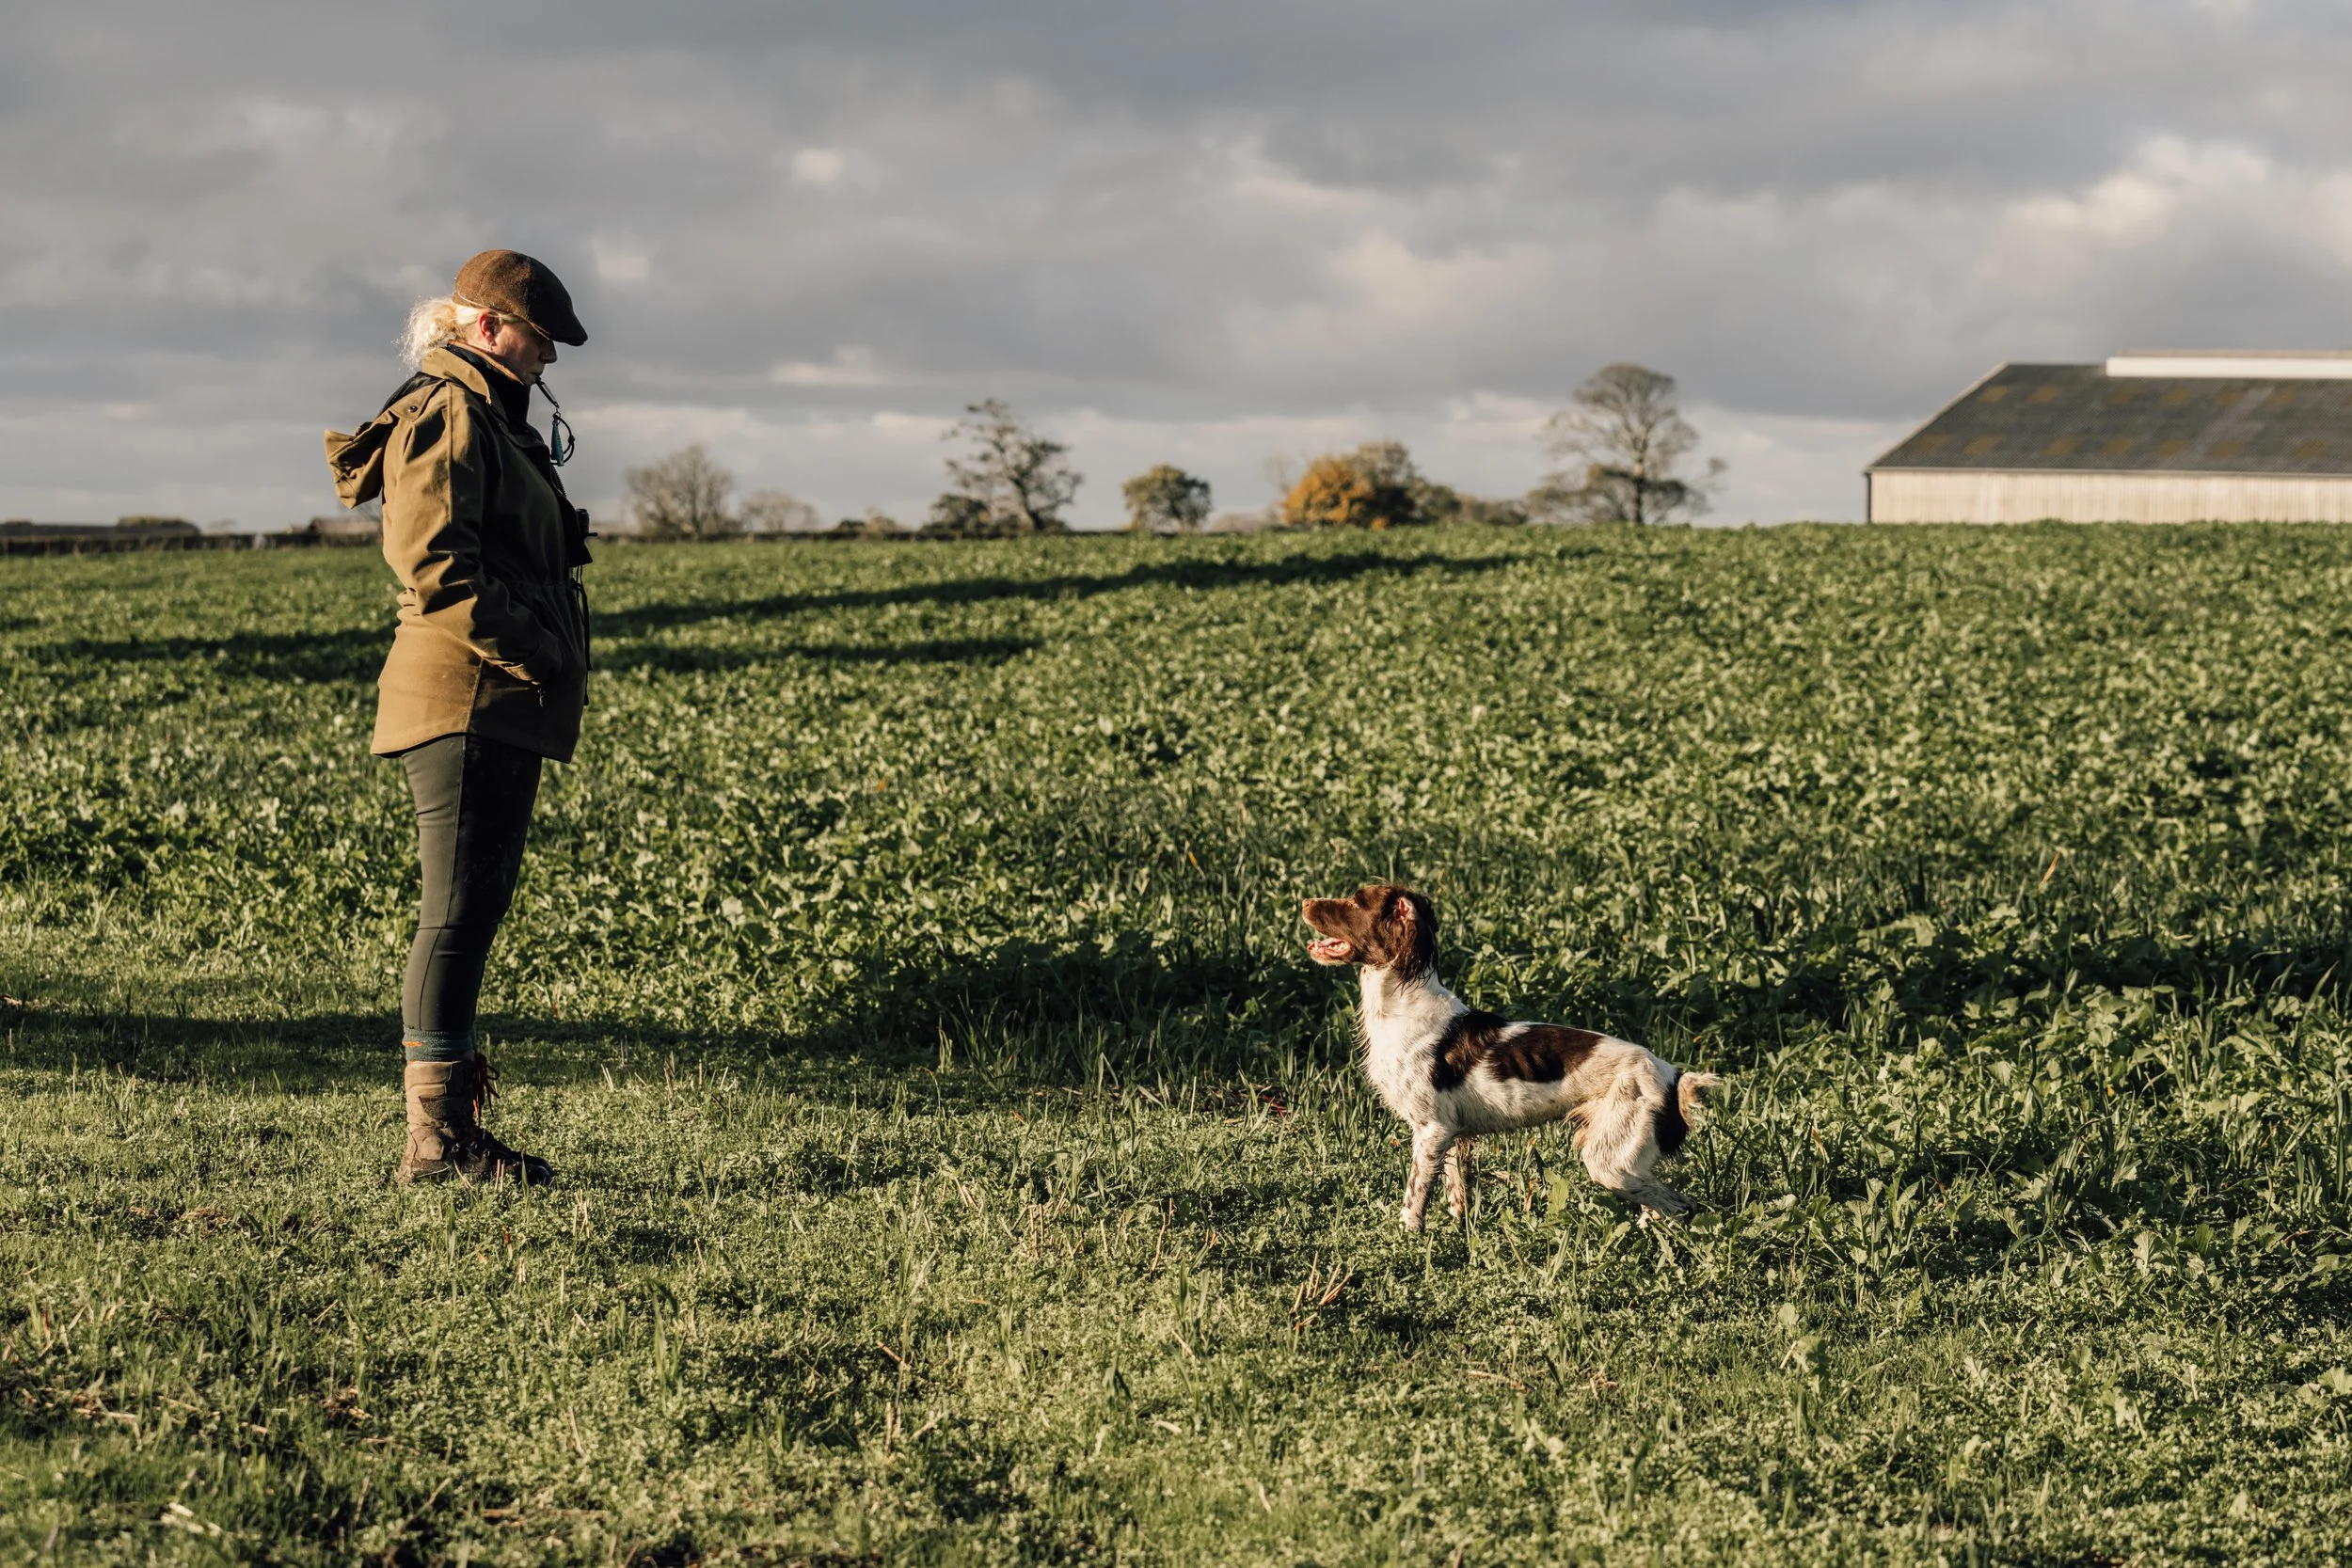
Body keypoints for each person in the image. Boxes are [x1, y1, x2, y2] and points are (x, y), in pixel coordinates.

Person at [324, 249, 592, 1185]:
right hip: (466, 697)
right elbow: (437, 570)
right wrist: (540, 652)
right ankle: (436, 1139)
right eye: (539, 337)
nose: (549, 357)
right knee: (455, 914)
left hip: (489, 698)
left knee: (469, 910)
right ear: (484, 325)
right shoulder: (447, 411)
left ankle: (448, 1130)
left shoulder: (488, 410)